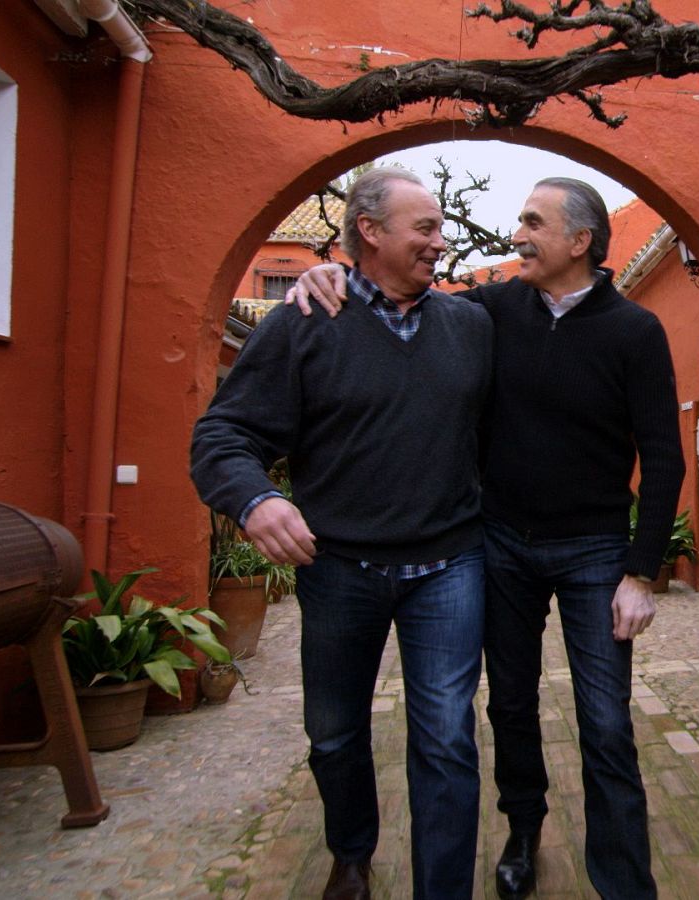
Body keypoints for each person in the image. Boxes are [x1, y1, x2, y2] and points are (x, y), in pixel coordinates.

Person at [288, 177, 685, 899]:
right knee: (509, 704)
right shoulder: (495, 308)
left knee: (605, 724)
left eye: (533, 223)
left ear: (579, 241)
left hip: (596, 551)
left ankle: (625, 884)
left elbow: (663, 456)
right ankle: (524, 827)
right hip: (501, 543)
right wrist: (335, 272)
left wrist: (641, 572)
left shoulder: (635, 330)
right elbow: (402, 306)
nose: (517, 235)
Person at [191, 166, 494, 900]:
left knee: (448, 738)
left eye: (438, 228)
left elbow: (556, 310)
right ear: (370, 231)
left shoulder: (473, 325)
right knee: (332, 733)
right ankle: (351, 853)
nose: (438, 241)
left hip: (449, 563)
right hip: (338, 570)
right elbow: (223, 435)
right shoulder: (302, 322)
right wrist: (257, 500)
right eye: (423, 228)